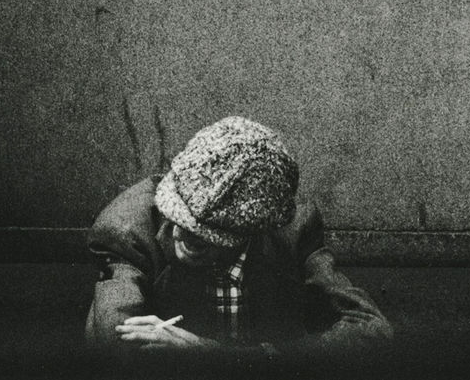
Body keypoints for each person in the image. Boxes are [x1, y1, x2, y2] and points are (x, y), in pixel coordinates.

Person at [85, 115, 393, 355]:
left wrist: (217, 356)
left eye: (209, 232)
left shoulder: (293, 231)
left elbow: (372, 329)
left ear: (256, 229)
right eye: (177, 212)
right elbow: (116, 344)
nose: (184, 232)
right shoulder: (127, 229)